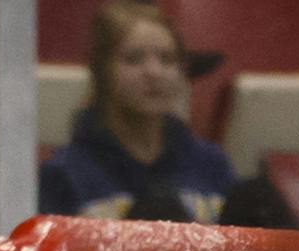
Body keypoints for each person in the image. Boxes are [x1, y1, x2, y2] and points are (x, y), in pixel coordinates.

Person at [38, 2, 234, 222]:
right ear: (103, 71)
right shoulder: (63, 174)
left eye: (167, 59)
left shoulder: (211, 164)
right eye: (134, 59)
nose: (154, 72)